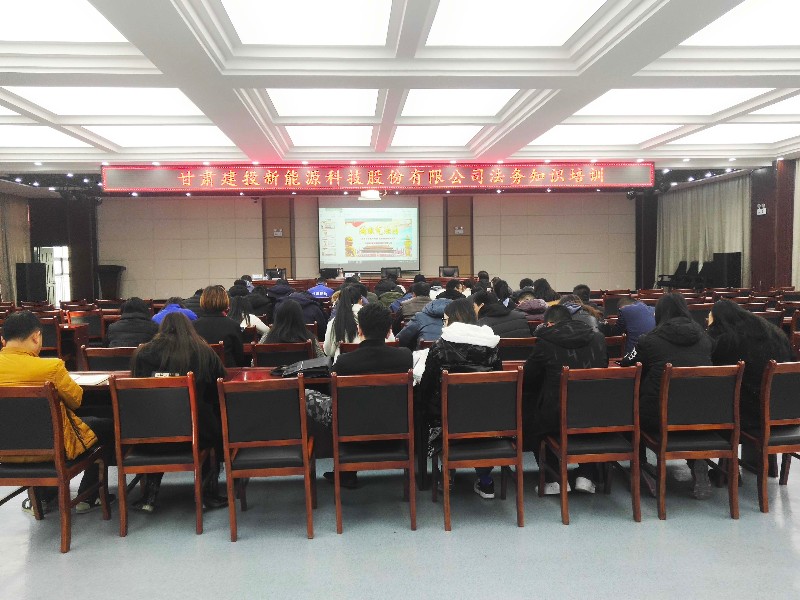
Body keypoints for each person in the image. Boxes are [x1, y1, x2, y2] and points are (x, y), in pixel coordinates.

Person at [0, 310, 114, 515]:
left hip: (5, 453)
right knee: (107, 426)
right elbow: (76, 401)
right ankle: (89, 496)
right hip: (54, 449)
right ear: (36, 337)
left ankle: (43, 497)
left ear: (3, 340)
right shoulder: (50, 367)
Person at [620, 293, 714, 499]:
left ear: (659, 313)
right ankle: (697, 461)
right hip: (701, 415)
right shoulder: (705, 338)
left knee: (631, 410)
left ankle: (641, 465)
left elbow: (627, 363)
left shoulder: (649, 340)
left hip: (659, 416)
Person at [132, 312, 227, 511]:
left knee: (158, 420)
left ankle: (150, 495)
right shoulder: (203, 351)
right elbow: (219, 385)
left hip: (149, 436)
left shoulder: (143, 353)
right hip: (196, 434)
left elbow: (136, 392)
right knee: (213, 420)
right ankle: (208, 493)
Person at [323, 303, 414, 488]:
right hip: (395, 429)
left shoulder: (343, 362)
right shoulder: (405, 357)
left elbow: (331, 393)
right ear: (389, 331)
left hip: (352, 429)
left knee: (310, 397)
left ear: (359, 330)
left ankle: (344, 470)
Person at [419, 298, 502, 499]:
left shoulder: (440, 347)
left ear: (453, 319)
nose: (443, 324)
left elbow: (427, 387)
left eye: (445, 320)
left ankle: (447, 473)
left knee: (426, 408)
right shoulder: (492, 345)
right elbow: (498, 384)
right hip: (487, 422)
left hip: (448, 422)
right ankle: (485, 480)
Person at [523, 305, 608, 494]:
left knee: (531, 413)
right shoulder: (598, 338)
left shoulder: (545, 342)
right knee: (588, 411)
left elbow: (527, 378)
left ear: (549, 324)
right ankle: (586, 476)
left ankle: (553, 479)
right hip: (595, 414)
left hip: (556, 417)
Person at [707, 299, 792, 429]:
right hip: (784, 409)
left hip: (751, 415)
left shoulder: (729, 341)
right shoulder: (775, 334)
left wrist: (710, 328)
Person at [192, 285, 246, 367]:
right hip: (228, 371)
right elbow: (239, 357)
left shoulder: (193, 326)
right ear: (225, 301)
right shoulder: (233, 326)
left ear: (203, 301)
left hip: (201, 371)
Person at [259, 299, 325, 358]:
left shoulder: (267, 337)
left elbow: (255, 360)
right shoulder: (309, 338)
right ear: (300, 317)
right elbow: (322, 360)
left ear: (278, 317)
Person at [323, 286, 361, 359]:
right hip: (368, 362)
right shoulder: (370, 317)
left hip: (341, 363)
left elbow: (328, 351)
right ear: (360, 300)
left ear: (340, 301)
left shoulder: (334, 321)